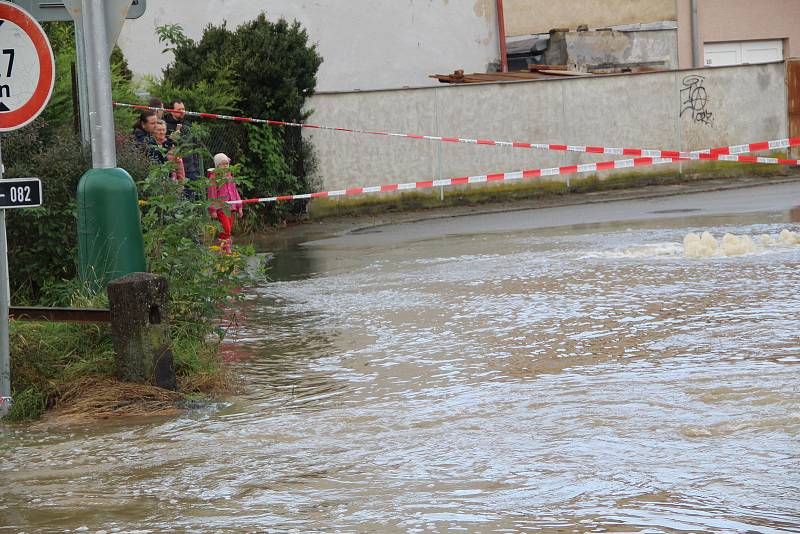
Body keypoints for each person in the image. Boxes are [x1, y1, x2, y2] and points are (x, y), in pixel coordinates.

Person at [164, 99, 201, 196]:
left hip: (190, 169)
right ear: (171, 110)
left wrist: (196, 167)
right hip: (176, 170)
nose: (182, 111)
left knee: (193, 197)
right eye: (178, 109)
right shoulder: (165, 126)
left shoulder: (187, 125)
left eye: (183, 109)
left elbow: (194, 146)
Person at [207, 153, 243, 253]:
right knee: (226, 229)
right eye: (222, 164)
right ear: (217, 165)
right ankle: (224, 249)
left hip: (232, 207)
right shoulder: (214, 178)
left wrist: (239, 206)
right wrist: (213, 209)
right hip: (221, 208)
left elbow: (235, 192)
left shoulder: (229, 176)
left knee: (228, 230)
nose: (225, 166)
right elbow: (212, 194)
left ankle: (223, 249)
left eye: (226, 164)